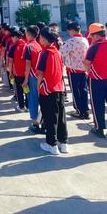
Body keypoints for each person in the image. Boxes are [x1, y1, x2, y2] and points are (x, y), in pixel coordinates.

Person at [36, 27, 69, 155]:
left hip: (47, 90)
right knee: (61, 117)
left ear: (43, 39)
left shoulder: (43, 53)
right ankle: (63, 143)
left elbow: (40, 74)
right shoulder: (58, 53)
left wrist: (39, 89)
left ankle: (52, 144)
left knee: (50, 118)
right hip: (59, 88)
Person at [84, 23, 107, 139]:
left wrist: (89, 71)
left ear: (96, 36)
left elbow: (86, 63)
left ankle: (99, 128)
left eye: (91, 36)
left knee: (97, 104)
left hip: (96, 80)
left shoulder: (94, 47)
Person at [60, 21, 90, 119]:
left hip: (73, 70)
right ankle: (85, 110)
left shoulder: (71, 41)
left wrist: (61, 44)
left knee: (75, 91)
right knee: (84, 90)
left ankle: (79, 110)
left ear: (72, 30)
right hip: (83, 69)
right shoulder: (85, 40)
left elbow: (62, 53)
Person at [23, 25, 42, 133]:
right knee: (39, 99)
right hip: (39, 76)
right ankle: (39, 120)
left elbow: (28, 64)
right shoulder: (38, 45)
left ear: (29, 34)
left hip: (32, 77)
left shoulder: (29, 46)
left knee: (32, 99)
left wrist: (26, 79)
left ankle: (35, 122)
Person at [7, 28, 27, 112]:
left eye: (12, 37)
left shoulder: (13, 47)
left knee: (19, 91)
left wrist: (10, 72)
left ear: (16, 37)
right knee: (26, 89)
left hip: (17, 73)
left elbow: (11, 61)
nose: (12, 39)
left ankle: (21, 106)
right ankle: (28, 105)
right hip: (27, 72)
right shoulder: (26, 45)